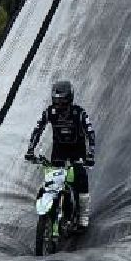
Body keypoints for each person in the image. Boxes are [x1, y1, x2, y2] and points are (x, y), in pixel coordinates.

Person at [23, 80, 97, 229]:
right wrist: (30, 150)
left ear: (70, 100)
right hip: (59, 150)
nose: (59, 106)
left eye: (63, 102)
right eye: (56, 102)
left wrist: (90, 155)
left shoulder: (79, 113)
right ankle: (54, 209)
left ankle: (83, 216)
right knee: (53, 180)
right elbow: (38, 130)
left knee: (81, 178)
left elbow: (90, 133)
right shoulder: (50, 112)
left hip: (78, 149)